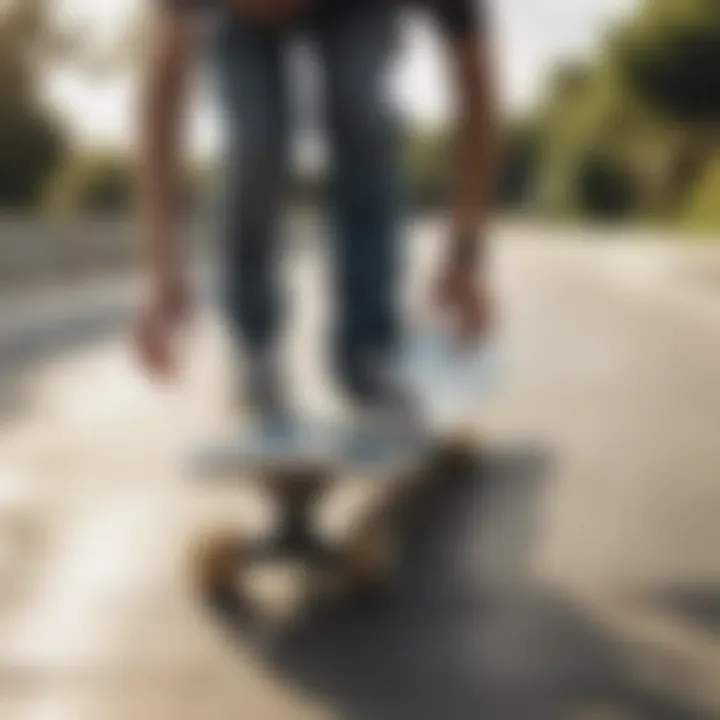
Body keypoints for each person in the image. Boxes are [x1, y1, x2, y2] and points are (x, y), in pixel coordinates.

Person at [134, 0, 498, 423]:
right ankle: (255, 350)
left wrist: (464, 256)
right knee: (254, 143)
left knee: (360, 105)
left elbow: (474, 82)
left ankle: (370, 351)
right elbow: (164, 80)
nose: (279, 15)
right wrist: (161, 267)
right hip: (237, 23)